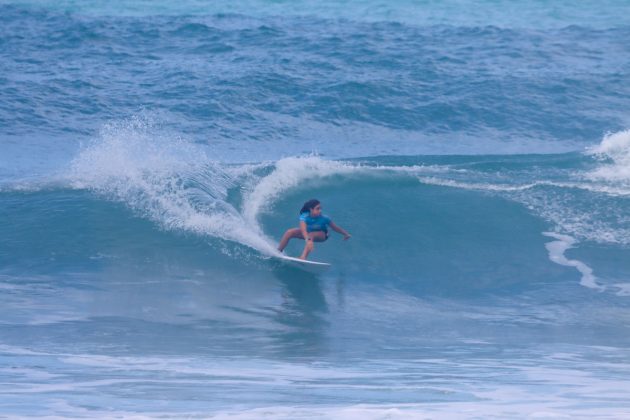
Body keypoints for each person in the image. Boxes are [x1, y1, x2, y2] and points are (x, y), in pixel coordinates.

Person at [277, 199, 351, 260]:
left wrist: (345, 234)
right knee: (289, 232)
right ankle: (278, 251)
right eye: (317, 208)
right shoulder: (304, 216)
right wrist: (307, 240)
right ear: (311, 209)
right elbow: (303, 230)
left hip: (323, 235)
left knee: (311, 235)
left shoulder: (324, 218)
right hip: (308, 234)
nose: (320, 210)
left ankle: (303, 257)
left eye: (320, 208)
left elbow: (335, 228)